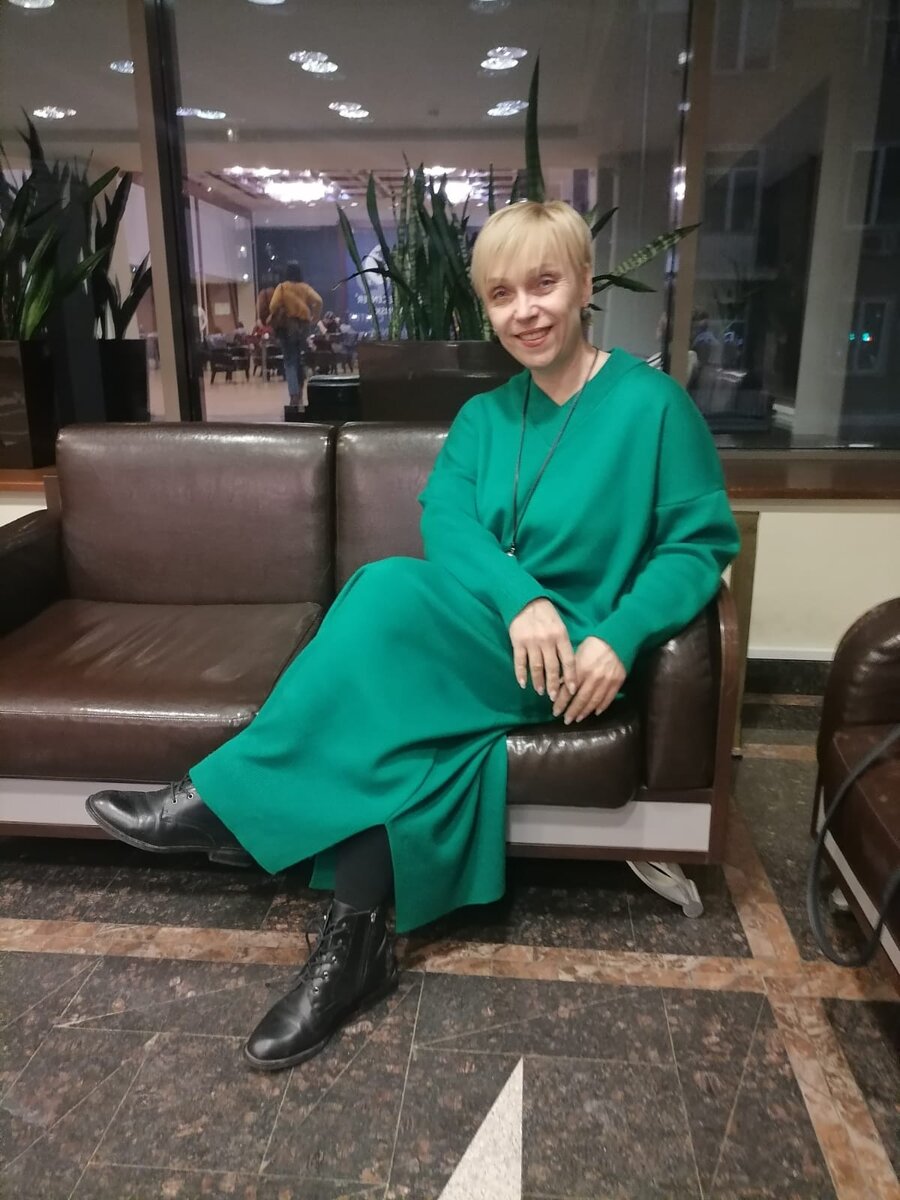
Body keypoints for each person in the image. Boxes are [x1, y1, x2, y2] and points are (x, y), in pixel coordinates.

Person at [84, 200, 740, 1073]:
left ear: (585, 284)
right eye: (502, 294)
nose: (525, 311)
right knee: (399, 691)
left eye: (544, 284)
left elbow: (699, 545)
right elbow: (448, 521)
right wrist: (519, 598)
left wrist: (618, 637)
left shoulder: (652, 406)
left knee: (386, 591)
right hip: (492, 631)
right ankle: (355, 947)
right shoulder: (485, 417)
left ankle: (228, 803)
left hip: (571, 658)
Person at [267, 262, 323, 408]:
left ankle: (294, 395)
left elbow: (273, 306)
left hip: (288, 327)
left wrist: (281, 310)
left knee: (289, 361)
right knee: (299, 360)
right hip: (303, 327)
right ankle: (299, 392)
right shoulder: (305, 288)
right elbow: (318, 300)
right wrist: (315, 317)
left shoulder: (282, 287)